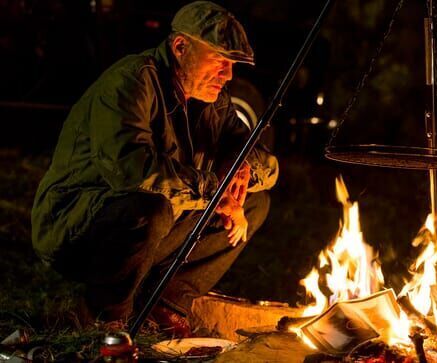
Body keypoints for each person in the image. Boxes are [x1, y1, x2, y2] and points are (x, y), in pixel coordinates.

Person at [31, 1, 278, 332]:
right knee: (150, 209)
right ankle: (107, 315)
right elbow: (131, 171)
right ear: (180, 47)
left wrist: (240, 167)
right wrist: (215, 191)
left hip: (155, 224)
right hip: (78, 223)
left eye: (232, 64)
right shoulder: (131, 82)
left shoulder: (213, 101)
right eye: (220, 61)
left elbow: (268, 164)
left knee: (256, 201)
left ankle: (163, 305)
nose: (228, 74)